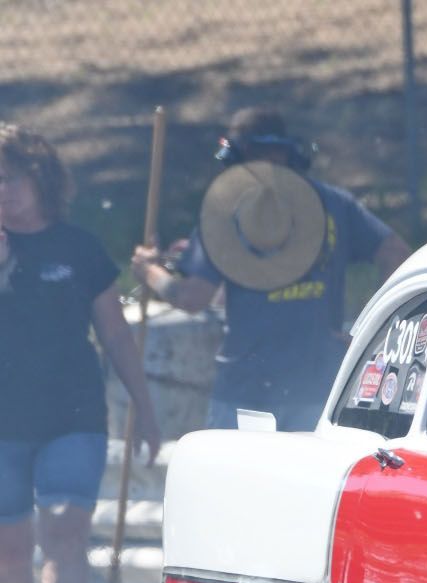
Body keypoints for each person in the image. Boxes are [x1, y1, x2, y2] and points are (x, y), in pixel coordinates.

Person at [0, 124, 163, 583]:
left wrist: (144, 409)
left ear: (39, 178)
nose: (4, 191)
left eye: (11, 178)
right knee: (11, 545)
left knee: (66, 530)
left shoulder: (78, 248)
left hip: (73, 412)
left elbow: (114, 333)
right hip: (4, 421)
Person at [131, 108, 412, 431]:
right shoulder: (334, 203)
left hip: (246, 393)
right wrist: (369, 331)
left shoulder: (225, 211)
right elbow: (396, 253)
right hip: (320, 388)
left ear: (235, 156)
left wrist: (149, 271)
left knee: (236, 483)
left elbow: (192, 297)